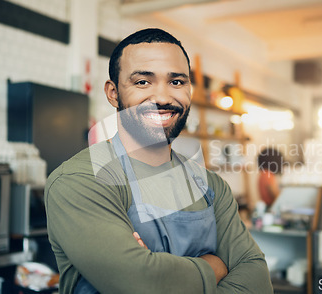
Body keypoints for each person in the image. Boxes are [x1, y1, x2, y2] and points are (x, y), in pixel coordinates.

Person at [44, 28, 273, 294]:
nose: (163, 98)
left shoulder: (211, 186)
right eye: (143, 82)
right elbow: (143, 283)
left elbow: (257, 281)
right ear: (113, 93)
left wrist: (163, 272)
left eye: (176, 82)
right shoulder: (80, 181)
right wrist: (215, 266)